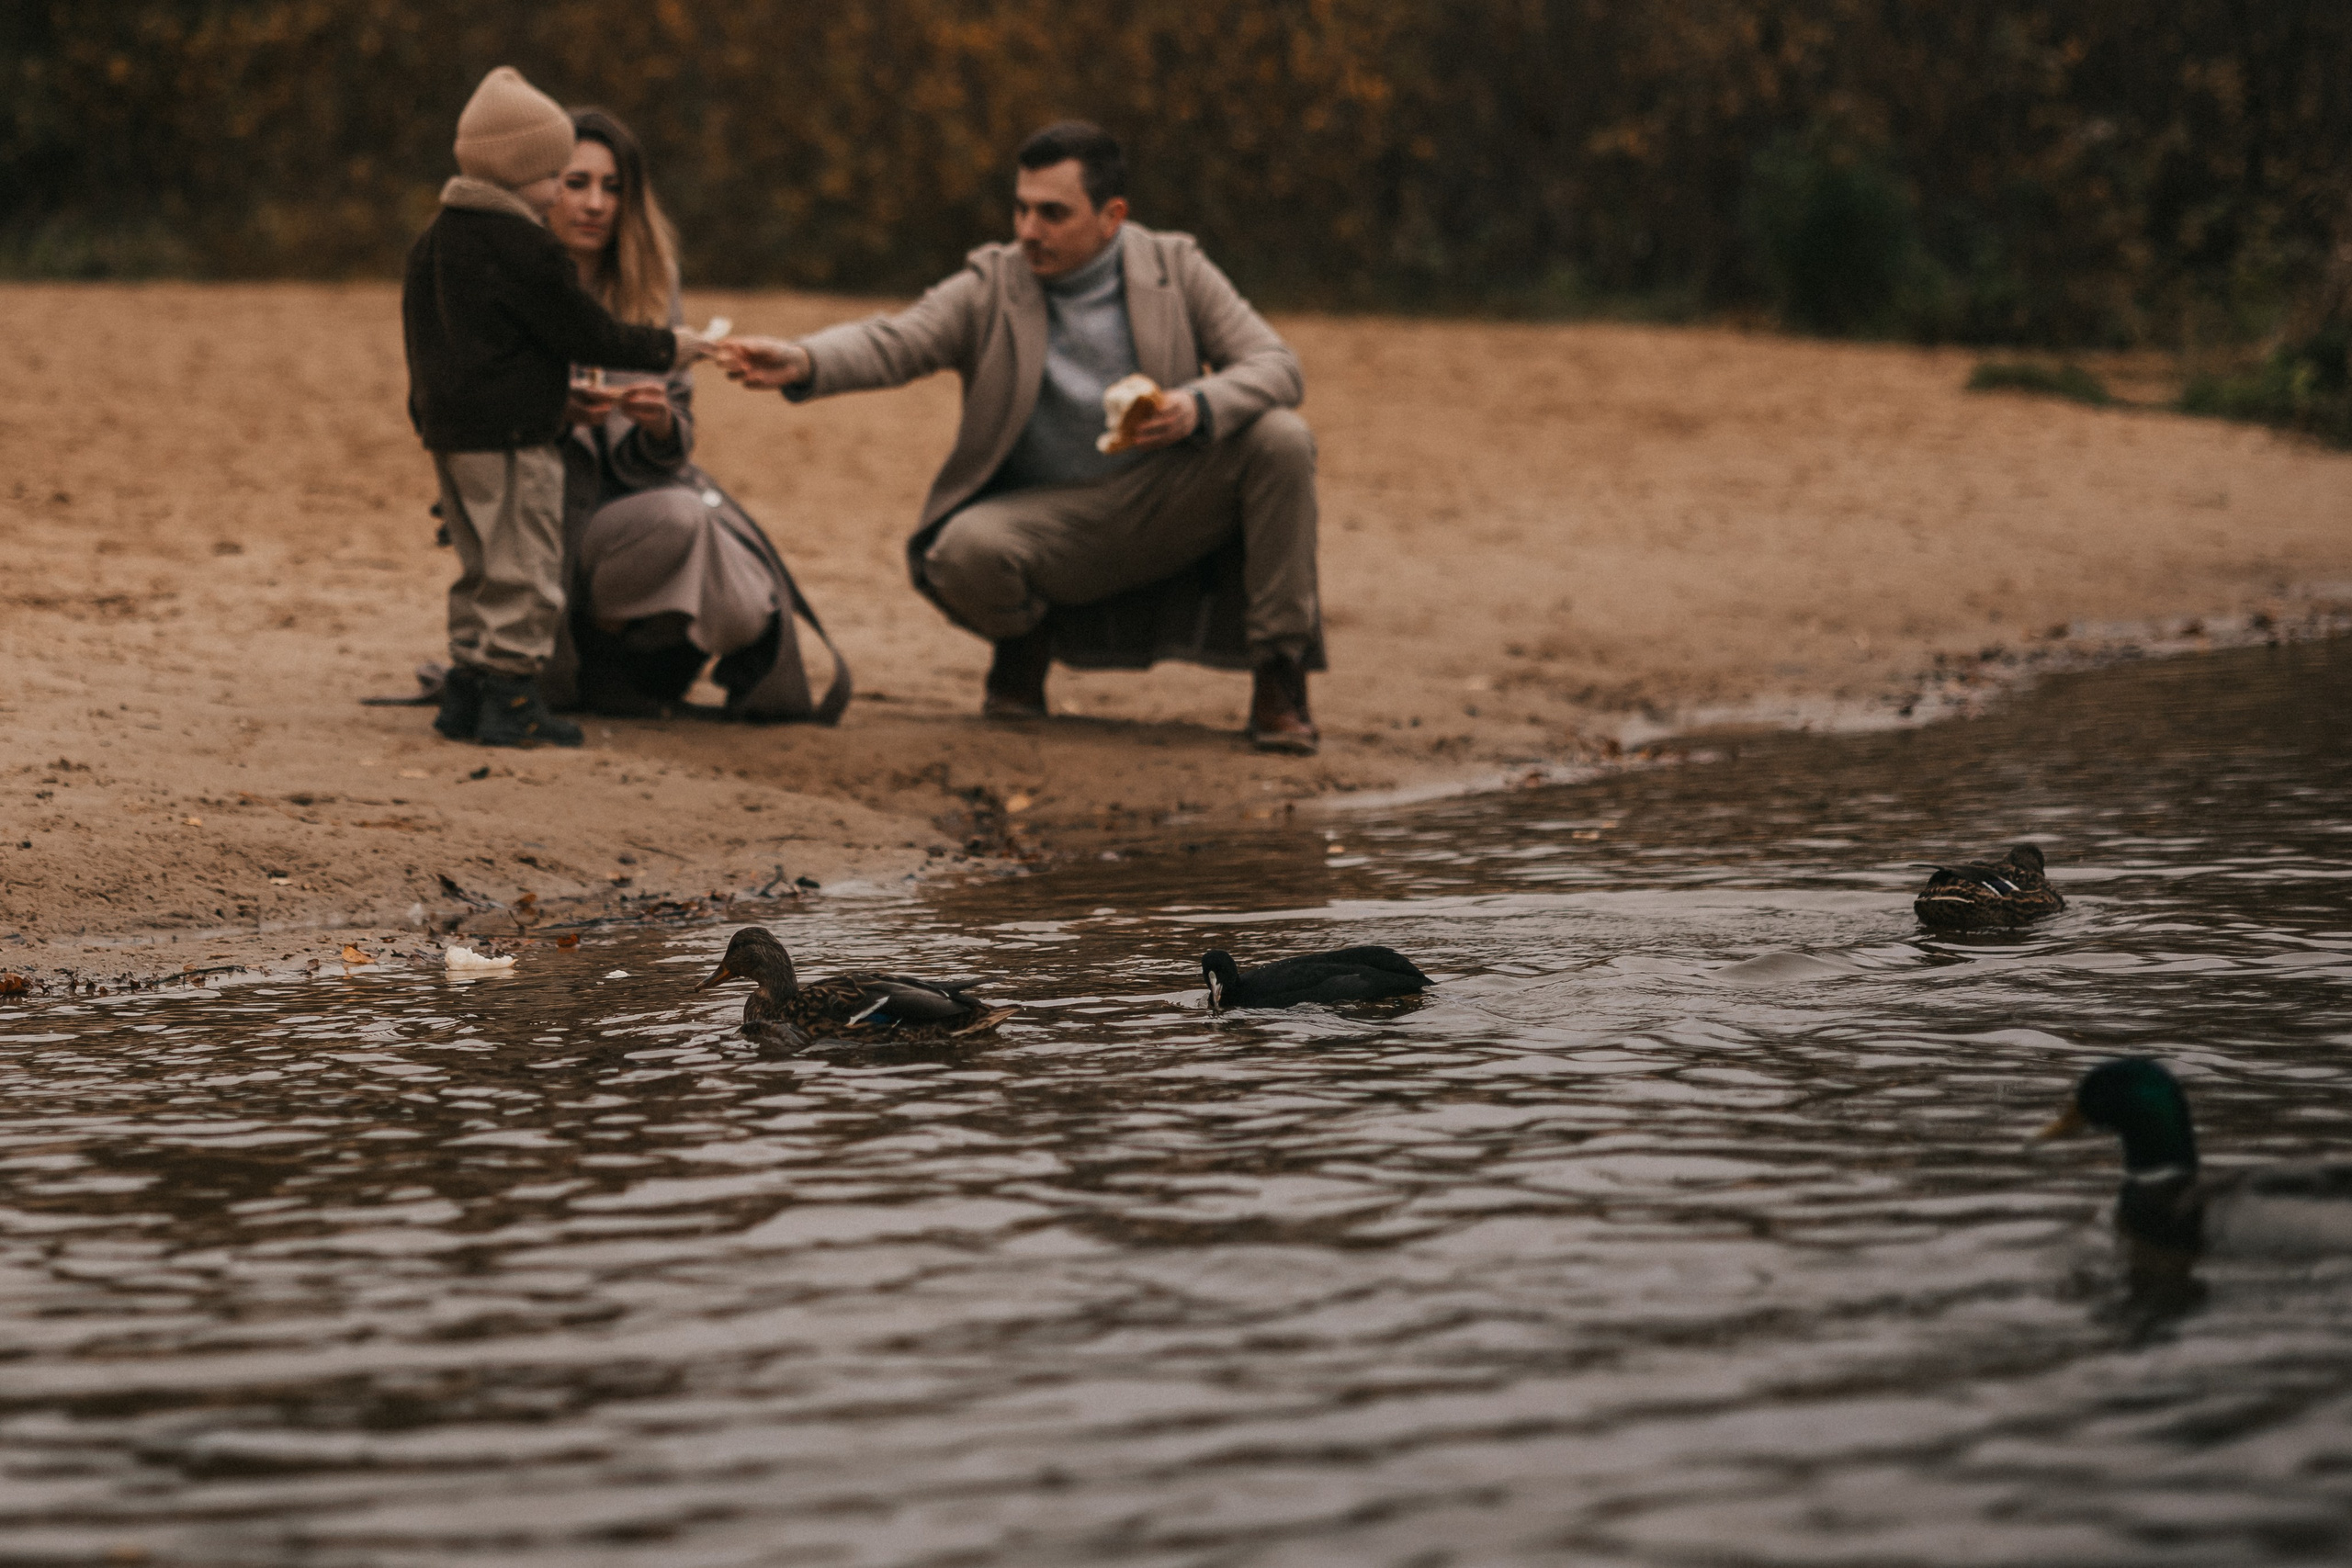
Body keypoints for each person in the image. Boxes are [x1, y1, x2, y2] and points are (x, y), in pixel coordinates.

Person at [722, 120, 1324, 753]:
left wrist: (1198, 405)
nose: (1029, 231)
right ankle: (1023, 653)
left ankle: (1280, 679)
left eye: (1053, 214)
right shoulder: (993, 285)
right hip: (1046, 523)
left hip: (1166, 498)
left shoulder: (1176, 266)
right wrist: (802, 359)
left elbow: (1278, 366)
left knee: (1282, 439)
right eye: (1022, 208)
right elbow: (895, 342)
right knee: (961, 551)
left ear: (1112, 216)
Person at [401, 66, 708, 748]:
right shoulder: (526, 248)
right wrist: (672, 348)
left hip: (453, 439)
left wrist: (431, 416)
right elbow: (584, 332)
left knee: (481, 566)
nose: (561, 190)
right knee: (526, 570)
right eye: (556, 174)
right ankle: (510, 696)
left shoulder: (435, 242)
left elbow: (431, 342)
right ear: (519, 171)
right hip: (515, 442)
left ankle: (467, 686)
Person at [537, 107, 848, 722]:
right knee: (683, 525)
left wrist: (654, 422)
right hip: (545, 511)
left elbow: (677, 438)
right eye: (577, 183)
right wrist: (558, 410)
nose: (596, 203)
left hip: (640, 495)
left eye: (614, 187)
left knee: (743, 583)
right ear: (545, 186)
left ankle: (649, 662)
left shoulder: (654, 280)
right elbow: (478, 404)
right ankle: (606, 652)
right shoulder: (519, 274)